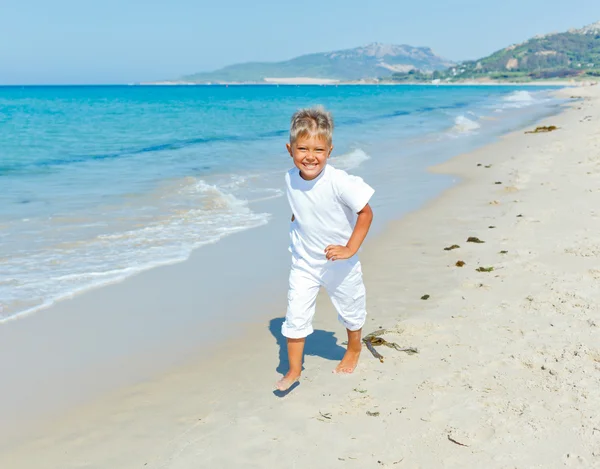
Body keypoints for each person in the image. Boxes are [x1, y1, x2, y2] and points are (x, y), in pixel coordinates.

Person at [276, 106, 374, 391]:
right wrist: (299, 222)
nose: (310, 156)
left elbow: (366, 213)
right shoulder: (290, 179)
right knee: (295, 313)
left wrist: (350, 249)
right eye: (302, 148)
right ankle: (294, 370)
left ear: (329, 150)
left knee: (351, 308)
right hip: (304, 261)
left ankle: (354, 348)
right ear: (290, 149)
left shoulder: (339, 182)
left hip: (339, 261)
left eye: (318, 149)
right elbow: (300, 206)